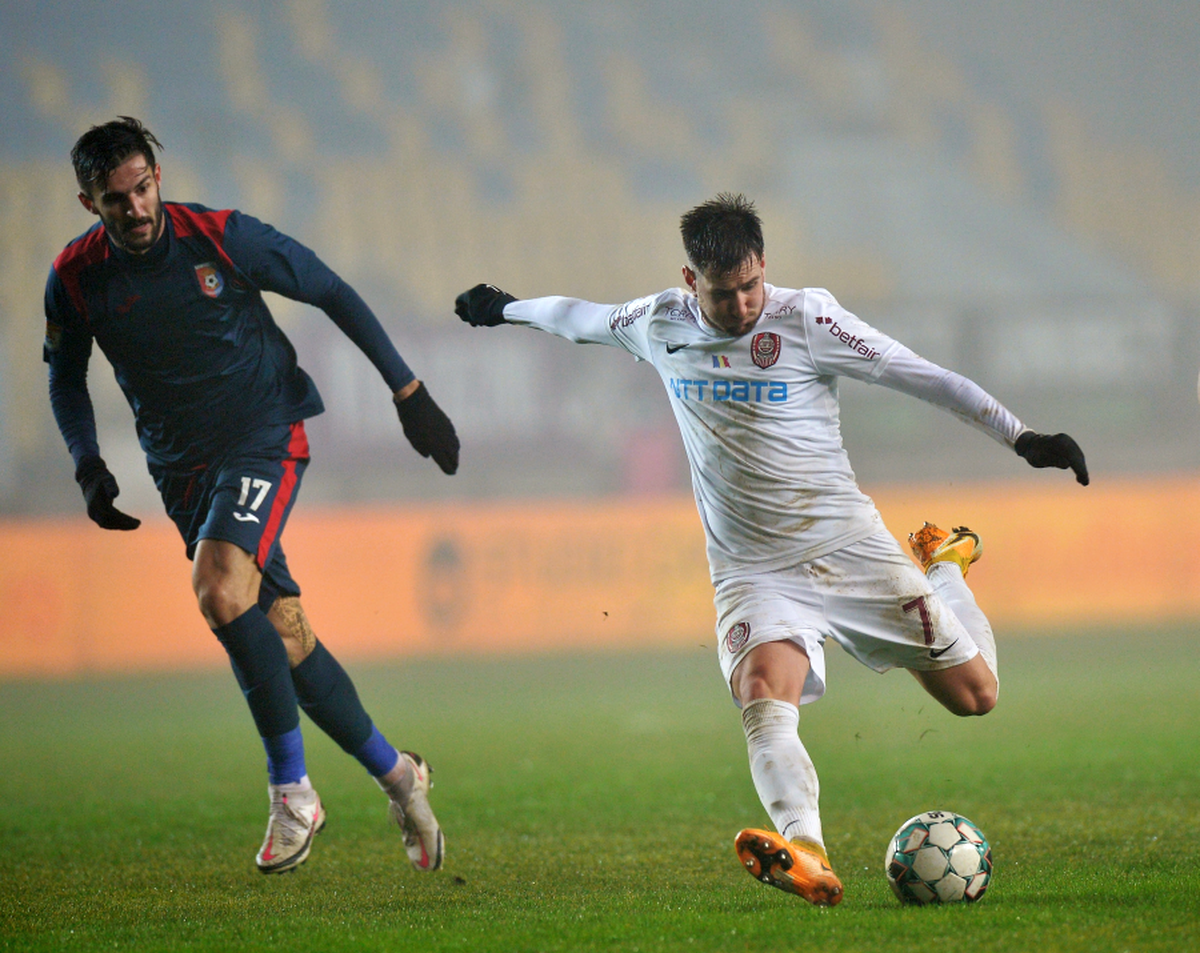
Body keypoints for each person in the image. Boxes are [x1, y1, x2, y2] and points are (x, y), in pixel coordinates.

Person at [454, 193, 1088, 906]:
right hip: (754, 568)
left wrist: (1022, 436)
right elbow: (578, 319)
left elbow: (922, 376)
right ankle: (807, 851)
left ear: (765, 268)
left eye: (753, 284)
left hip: (847, 546)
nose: (743, 304)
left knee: (977, 696)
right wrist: (505, 308)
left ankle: (945, 563)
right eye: (725, 293)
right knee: (761, 693)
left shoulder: (807, 319)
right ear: (691, 281)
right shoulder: (659, 322)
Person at [45, 117, 457, 876]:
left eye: (142, 188)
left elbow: (329, 287)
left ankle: (292, 791)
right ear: (87, 202)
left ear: (156, 177)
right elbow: (65, 376)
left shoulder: (221, 238)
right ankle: (399, 773)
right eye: (115, 199)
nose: (135, 208)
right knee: (285, 636)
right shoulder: (75, 278)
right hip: (182, 470)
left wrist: (408, 390)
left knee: (219, 589)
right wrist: (87, 463)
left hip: (264, 433)